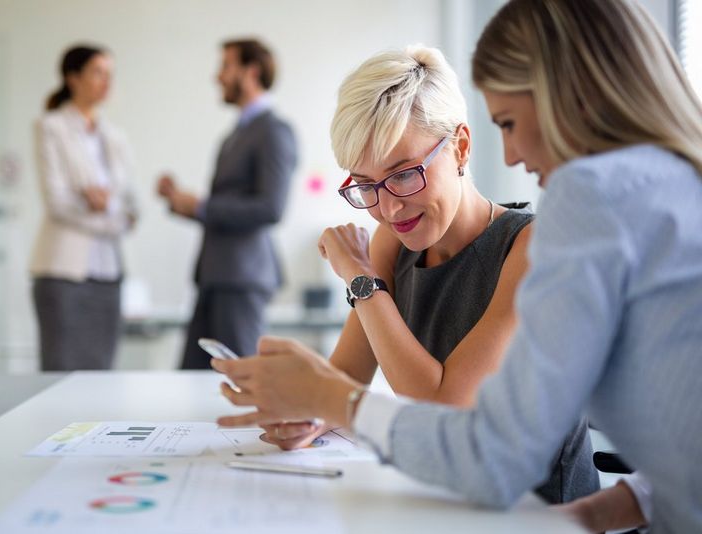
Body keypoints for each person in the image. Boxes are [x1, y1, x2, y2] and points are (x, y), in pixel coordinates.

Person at [213, 1, 702, 532]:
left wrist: (344, 338)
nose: (511, 155)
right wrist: (308, 404)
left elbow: (466, 431)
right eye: (367, 184)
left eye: (509, 123)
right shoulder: (664, 190)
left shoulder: (570, 212)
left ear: (460, 146)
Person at [256, 45, 597, 504]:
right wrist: (306, 413)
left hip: (543, 513)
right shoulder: (393, 242)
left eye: (403, 174)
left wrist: (361, 279)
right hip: (451, 500)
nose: (388, 207)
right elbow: (347, 376)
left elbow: (442, 409)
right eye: (365, 184)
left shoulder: (533, 247)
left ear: (460, 146)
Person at [157, 38, 297, 370]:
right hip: (216, 275)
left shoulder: (273, 131)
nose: (217, 76)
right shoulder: (236, 134)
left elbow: (271, 208)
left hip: (241, 276)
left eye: (225, 66)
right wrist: (184, 204)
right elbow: (228, 204)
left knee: (242, 378)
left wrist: (203, 206)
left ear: (251, 72)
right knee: (192, 378)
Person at [30, 45, 138, 371]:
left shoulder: (115, 137)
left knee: (102, 374)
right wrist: (110, 215)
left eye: (110, 74)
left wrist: (102, 206)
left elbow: (133, 206)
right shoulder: (51, 127)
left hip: (109, 276)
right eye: (97, 72)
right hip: (64, 275)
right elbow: (58, 203)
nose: (106, 81)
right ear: (72, 78)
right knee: (61, 371)